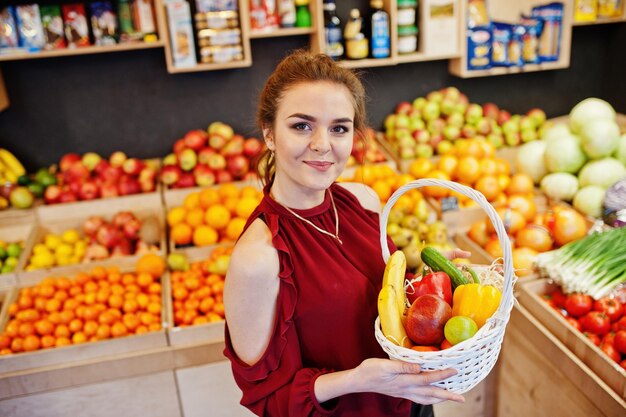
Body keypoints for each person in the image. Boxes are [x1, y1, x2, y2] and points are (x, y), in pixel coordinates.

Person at [223, 50, 465, 417]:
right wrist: (357, 380)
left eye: (339, 127)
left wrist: (432, 284)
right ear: (270, 134)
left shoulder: (363, 201)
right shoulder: (259, 258)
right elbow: (267, 400)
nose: (323, 144)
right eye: (301, 125)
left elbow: (387, 300)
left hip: (413, 403)